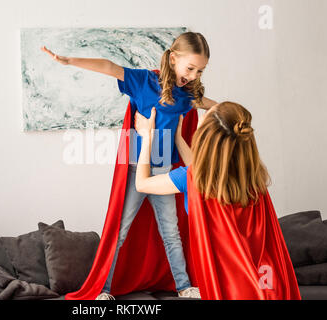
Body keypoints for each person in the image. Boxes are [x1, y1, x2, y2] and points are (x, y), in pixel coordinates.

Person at [42, 31, 217, 300]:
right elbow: (110, 67)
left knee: (171, 233)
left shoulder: (185, 95)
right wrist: (69, 61)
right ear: (173, 59)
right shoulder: (143, 81)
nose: (194, 75)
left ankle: (184, 287)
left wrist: (235, 118)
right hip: (138, 169)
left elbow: (215, 107)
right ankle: (104, 289)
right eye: (190, 68)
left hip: (165, 174)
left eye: (200, 71)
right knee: (120, 231)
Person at [133, 101, 302, 300]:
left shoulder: (191, 179)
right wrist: (179, 138)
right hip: (266, 282)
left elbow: (142, 184)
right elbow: (205, 170)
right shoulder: (254, 180)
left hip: (231, 288)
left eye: (206, 115)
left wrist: (146, 137)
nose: (201, 116)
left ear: (206, 137)